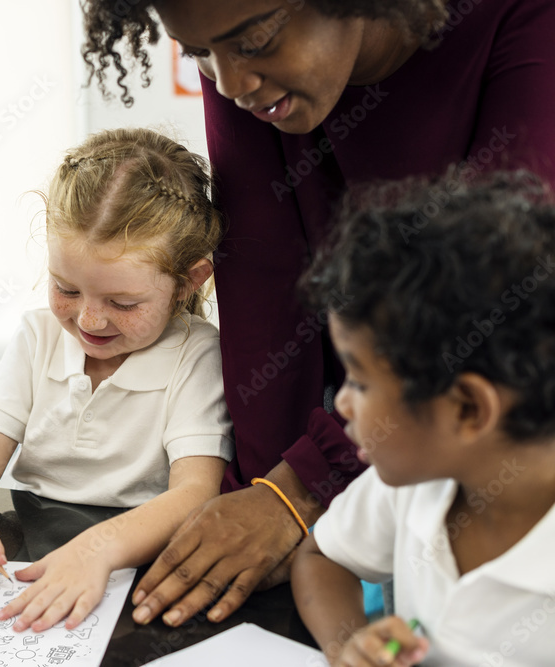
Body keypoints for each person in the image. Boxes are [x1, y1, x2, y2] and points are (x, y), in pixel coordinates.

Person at [79, 0, 555, 626]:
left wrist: (299, 489)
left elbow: (499, 299)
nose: (229, 84)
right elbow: (264, 282)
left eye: (255, 41)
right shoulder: (240, 60)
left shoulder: (525, 21)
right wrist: (261, 496)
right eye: (198, 54)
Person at [0, 127, 231, 632]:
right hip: (29, 551)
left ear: (188, 281)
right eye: (66, 288)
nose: (89, 321)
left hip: (137, 562)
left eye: (123, 303)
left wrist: (96, 550)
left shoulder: (195, 355)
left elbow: (196, 495)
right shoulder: (37, 336)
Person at [291, 171, 555, 666]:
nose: (341, 404)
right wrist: (348, 644)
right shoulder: (414, 482)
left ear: (467, 408)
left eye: (361, 382)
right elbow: (321, 557)